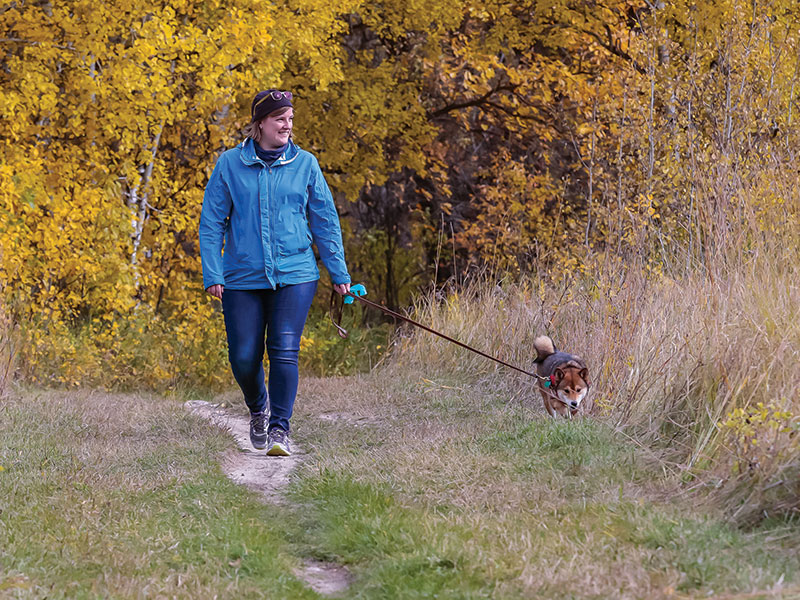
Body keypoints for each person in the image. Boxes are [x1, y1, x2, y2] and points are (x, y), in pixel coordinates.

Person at [199, 89, 351, 456]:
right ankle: (258, 408)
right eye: (280, 118)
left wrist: (339, 272)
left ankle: (280, 430)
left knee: (284, 349)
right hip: (241, 277)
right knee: (244, 357)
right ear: (260, 123)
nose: (287, 125)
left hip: (295, 273)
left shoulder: (306, 164)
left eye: (290, 119)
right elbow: (211, 222)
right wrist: (213, 272)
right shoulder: (230, 164)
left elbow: (325, 221)